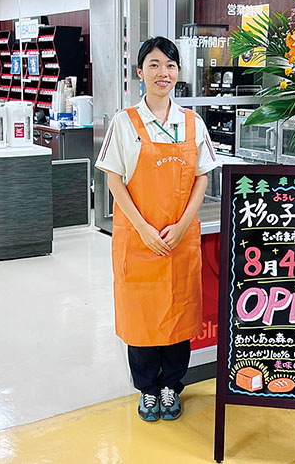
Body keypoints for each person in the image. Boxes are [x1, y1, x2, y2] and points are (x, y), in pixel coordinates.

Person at [95, 36, 217, 422]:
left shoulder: (193, 123)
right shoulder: (124, 122)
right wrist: (143, 228)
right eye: (154, 64)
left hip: (181, 239)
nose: (163, 72)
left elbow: (202, 179)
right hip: (139, 238)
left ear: (178, 73)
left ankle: (172, 387)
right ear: (140, 72)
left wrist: (182, 225)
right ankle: (148, 389)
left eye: (170, 65)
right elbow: (114, 179)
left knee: (179, 316)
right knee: (142, 318)